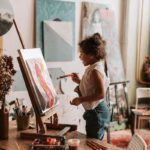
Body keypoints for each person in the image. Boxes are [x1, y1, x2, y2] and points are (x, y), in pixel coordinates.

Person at [70, 33, 110, 140]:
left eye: (82, 53)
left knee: (94, 142)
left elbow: (101, 94)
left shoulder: (95, 71)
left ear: (91, 55)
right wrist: (78, 81)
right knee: (92, 139)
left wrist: (80, 99)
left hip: (97, 113)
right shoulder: (92, 68)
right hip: (95, 111)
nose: (80, 56)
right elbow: (90, 86)